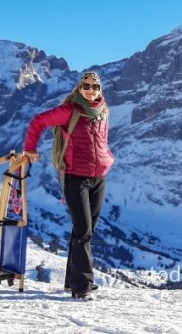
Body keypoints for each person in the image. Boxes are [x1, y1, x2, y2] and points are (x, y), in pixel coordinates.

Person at [23, 71, 114, 300]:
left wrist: (107, 157)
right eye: (86, 86)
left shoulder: (103, 110)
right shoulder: (70, 110)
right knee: (83, 230)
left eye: (95, 86)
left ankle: (71, 282)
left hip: (99, 177)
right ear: (79, 88)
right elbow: (39, 121)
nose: (91, 90)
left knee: (85, 230)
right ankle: (82, 287)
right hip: (76, 178)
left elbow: (101, 141)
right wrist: (30, 149)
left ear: (100, 89)